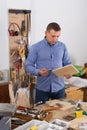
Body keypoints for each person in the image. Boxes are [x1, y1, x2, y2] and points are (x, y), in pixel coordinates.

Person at [25, 22, 71, 103]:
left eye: (57, 36)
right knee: (41, 113)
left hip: (59, 88)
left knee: (60, 114)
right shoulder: (36, 47)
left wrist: (68, 72)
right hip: (42, 88)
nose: (55, 39)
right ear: (46, 33)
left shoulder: (62, 46)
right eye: (53, 36)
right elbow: (28, 66)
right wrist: (38, 71)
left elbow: (67, 63)